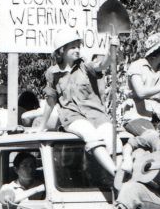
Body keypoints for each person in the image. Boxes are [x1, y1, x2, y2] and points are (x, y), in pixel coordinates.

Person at [37, 28, 118, 176]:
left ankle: (125, 173)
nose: (77, 50)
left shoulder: (85, 66)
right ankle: (116, 173)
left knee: (113, 138)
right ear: (61, 50)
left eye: (78, 46)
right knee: (91, 135)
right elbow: (50, 102)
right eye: (73, 47)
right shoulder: (52, 73)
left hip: (97, 115)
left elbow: (102, 65)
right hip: (73, 117)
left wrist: (111, 49)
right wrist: (41, 126)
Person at [120, 32, 160, 136]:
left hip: (158, 118)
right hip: (137, 117)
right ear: (159, 54)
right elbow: (140, 93)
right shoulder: (137, 66)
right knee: (153, 136)